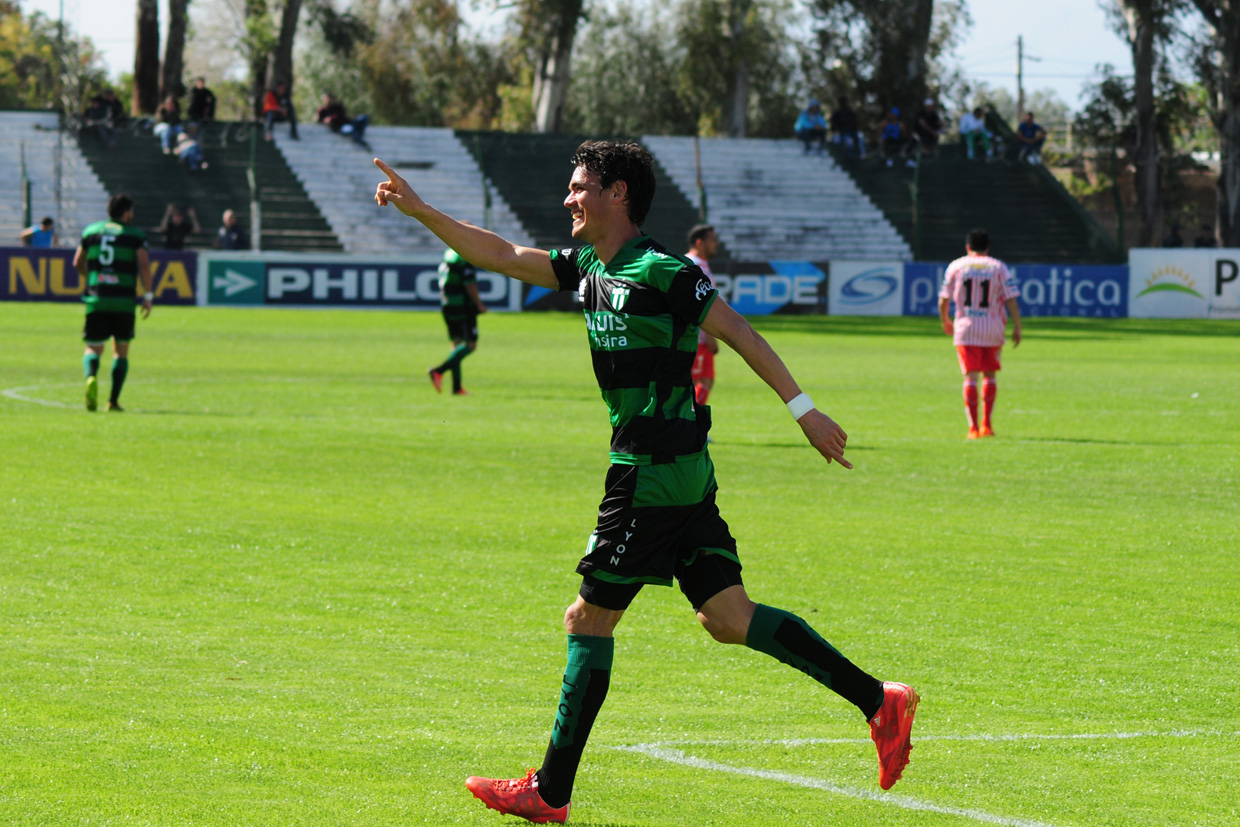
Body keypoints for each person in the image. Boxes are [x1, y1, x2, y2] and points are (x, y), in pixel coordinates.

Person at [373, 140, 919, 824]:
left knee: (587, 618)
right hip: (682, 470)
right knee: (727, 617)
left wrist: (803, 410)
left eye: (580, 187)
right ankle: (879, 700)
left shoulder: (664, 271)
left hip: (651, 473)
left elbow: (739, 330)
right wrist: (421, 210)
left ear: (619, 194)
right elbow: (505, 255)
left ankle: (550, 789)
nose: (568, 198)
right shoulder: (588, 266)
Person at [938, 228, 1022, 439]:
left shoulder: (956, 266)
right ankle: (987, 425)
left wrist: (945, 320)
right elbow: (1011, 298)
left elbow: (944, 298)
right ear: (988, 247)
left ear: (968, 247)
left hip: (966, 328)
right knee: (990, 375)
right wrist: (1018, 326)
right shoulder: (998, 267)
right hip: (992, 328)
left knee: (970, 378)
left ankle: (973, 428)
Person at [74, 194, 153, 413]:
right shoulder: (134, 235)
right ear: (126, 212)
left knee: (93, 347)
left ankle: (91, 377)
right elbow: (144, 265)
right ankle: (113, 401)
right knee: (121, 350)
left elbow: (77, 262)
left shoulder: (91, 231)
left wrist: (89, 278)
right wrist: (148, 295)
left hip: (96, 298)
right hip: (123, 302)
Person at [428, 244, 487, 396]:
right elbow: (469, 284)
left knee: (456, 344)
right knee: (470, 345)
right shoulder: (464, 257)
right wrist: (479, 303)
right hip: (463, 306)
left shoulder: (448, 256)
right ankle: (438, 371)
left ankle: (456, 387)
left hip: (447, 304)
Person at [685, 223, 720, 406]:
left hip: (703, 337)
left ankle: (695, 425)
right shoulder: (692, 266)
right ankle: (685, 426)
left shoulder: (701, 265)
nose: (717, 244)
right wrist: (711, 336)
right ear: (700, 243)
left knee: (706, 379)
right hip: (693, 336)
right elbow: (697, 306)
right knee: (689, 382)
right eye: (713, 240)